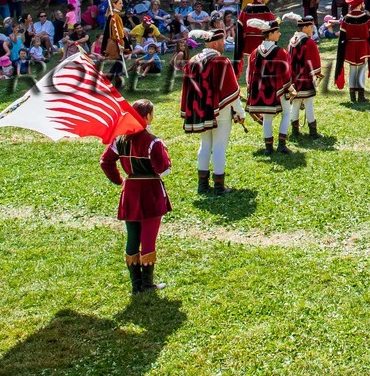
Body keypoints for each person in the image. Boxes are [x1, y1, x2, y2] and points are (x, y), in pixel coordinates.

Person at [100, 99, 171, 294]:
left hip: (130, 190)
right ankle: (147, 284)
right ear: (147, 117)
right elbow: (163, 170)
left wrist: (119, 180)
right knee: (148, 237)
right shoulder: (153, 142)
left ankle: (136, 284)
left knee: (132, 237)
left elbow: (105, 162)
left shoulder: (119, 139)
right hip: (150, 191)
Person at [183, 26, 243, 194]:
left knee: (205, 144)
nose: (224, 44)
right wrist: (240, 112)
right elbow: (231, 90)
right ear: (215, 43)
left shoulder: (193, 61)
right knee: (219, 146)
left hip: (202, 110)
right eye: (222, 41)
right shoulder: (221, 62)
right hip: (221, 111)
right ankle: (219, 186)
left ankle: (202, 185)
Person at [245, 19, 294, 155]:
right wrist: (289, 87)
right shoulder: (280, 52)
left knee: (267, 118)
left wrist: (250, 88)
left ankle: (268, 147)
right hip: (278, 89)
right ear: (271, 33)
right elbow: (286, 72)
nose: (279, 34)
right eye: (277, 31)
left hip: (262, 90)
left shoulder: (255, 52)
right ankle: (282, 145)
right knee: (286, 113)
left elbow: (249, 73)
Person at [334, 0, 370, 102]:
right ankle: (361, 95)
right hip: (363, 46)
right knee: (361, 71)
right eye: (362, 2)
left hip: (350, 47)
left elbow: (342, 38)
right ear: (359, 4)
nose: (364, 4)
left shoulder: (345, 19)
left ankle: (352, 96)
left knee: (353, 70)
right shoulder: (367, 18)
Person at [284, 13, 323, 139]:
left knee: (295, 103)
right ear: (305, 28)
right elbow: (314, 60)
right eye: (311, 27)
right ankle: (313, 131)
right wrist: (316, 74)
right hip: (305, 78)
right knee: (308, 103)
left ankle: (295, 131)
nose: (312, 30)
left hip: (294, 79)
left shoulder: (291, 41)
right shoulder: (309, 42)